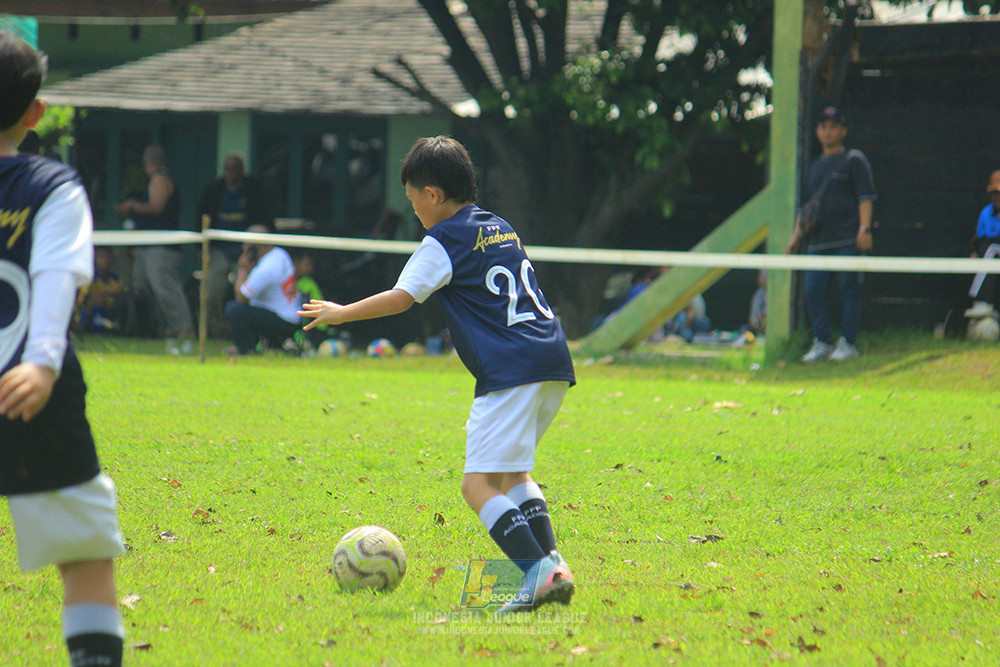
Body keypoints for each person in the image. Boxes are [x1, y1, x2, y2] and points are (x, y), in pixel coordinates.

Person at [299, 136, 576, 614]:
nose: (415, 213)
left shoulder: (444, 238)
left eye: (413, 201)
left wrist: (342, 313)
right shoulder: (499, 226)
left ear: (431, 194)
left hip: (510, 371)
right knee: (512, 473)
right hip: (551, 360)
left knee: (477, 486)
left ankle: (539, 573)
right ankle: (553, 565)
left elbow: (402, 296)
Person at [0, 31, 125, 667]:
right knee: (82, 552)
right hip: (25, 392)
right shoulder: (52, 185)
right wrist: (43, 362)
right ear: (35, 112)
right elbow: (56, 277)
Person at [786, 106, 875, 362]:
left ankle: (848, 343)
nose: (828, 131)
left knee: (849, 288)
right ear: (817, 131)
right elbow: (806, 209)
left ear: (843, 130)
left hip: (849, 239)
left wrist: (864, 229)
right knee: (813, 289)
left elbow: (865, 197)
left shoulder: (854, 160)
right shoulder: (812, 167)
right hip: (817, 242)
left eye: (833, 126)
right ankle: (822, 342)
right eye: (823, 126)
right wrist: (794, 240)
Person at [116, 144, 195, 354]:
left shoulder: (160, 178)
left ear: (146, 163)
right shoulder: (156, 179)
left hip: (162, 247)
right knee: (143, 288)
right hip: (147, 245)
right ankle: (155, 329)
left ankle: (184, 329)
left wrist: (131, 206)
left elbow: (156, 207)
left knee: (166, 289)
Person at [197, 152, 273, 338]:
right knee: (211, 292)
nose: (230, 173)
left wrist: (258, 250)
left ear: (241, 170)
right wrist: (201, 248)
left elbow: (266, 217)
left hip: (246, 250)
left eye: (234, 169)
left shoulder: (253, 189)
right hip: (219, 249)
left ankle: (244, 332)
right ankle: (218, 330)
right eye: (227, 169)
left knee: (246, 293)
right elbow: (200, 217)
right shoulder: (214, 189)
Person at [223, 223, 301, 355]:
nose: (243, 247)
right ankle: (272, 345)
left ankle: (245, 349)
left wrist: (243, 269)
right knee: (248, 309)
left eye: (247, 245)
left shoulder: (267, 268)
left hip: (283, 320)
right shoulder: (280, 254)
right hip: (290, 315)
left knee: (234, 309)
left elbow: (241, 298)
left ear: (255, 246)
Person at [965, 169, 1000, 319]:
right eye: (994, 192)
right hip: (991, 256)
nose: (996, 197)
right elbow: (979, 240)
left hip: (993, 252)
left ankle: (980, 300)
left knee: (991, 248)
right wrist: (974, 253)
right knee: (986, 250)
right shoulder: (986, 212)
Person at [75, 247, 125, 334]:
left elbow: (120, 290)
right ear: (95, 259)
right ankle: (95, 331)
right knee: (98, 302)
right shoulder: (91, 276)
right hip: (84, 311)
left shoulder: (113, 276)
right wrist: (107, 292)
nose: (105, 261)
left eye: (108, 257)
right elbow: (87, 300)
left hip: (107, 308)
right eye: (102, 257)